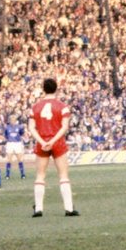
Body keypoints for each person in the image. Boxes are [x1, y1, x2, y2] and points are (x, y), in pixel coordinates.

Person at [29, 77, 78, 217]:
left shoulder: (35, 107)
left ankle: (38, 208)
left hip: (42, 141)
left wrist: (43, 142)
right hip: (57, 142)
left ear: (43, 89)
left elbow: (31, 128)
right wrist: (53, 141)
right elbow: (64, 127)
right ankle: (68, 208)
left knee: (40, 176)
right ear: (56, 88)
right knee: (63, 175)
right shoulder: (62, 106)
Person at [3, 114, 26, 180]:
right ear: (10, 120)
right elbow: (6, 136)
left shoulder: (19, 127)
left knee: (20, 159)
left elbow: (22, 133)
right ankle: (7, 175)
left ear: (16, 120)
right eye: (11, 120)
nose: (12, 121)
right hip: (10, 143)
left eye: (14, 120)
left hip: (17, 143)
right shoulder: (7, 127)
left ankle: (22, 174)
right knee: (9, 160)